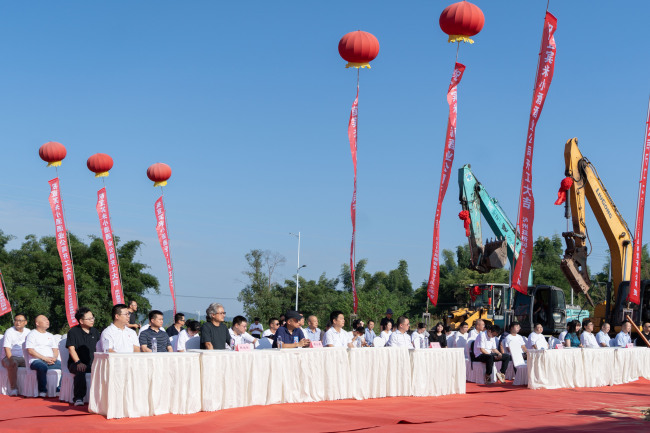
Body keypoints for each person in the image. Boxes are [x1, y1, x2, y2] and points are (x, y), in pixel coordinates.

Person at [66, 307, 100, 406]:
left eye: (92, 318)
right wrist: (78, 362)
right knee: (80, 370)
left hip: (92, 363)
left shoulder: (95, 331)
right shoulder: (73, 332)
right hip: (75, 363)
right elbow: (71, 349)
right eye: (89, 319)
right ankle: (79, 398)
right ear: (81, 321)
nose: (92, 320)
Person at [25, 315, 61, 397]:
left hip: (50, 360)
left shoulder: (50, 335)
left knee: (65, 367)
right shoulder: (32, 334)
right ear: (37, 323)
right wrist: (44, 358)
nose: (47, 321)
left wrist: (54, 358)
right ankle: (42, 390)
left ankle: (59, 389)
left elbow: (55, 350)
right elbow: (30, 350)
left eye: (48, 319)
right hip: (36, 361)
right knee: (42, 367)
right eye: (44, 320)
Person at [2, 314, 30, 396]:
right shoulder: (9, 331)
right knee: (13, 363)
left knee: (36, 364)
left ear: (25, 322)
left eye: (20, 321)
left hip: (23, 357)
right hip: (9, 356)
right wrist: (11, 360)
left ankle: (33, 389)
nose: (17, 322)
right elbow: (7, 348)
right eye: (16, 320)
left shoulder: (28, 332)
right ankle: (13, 389)